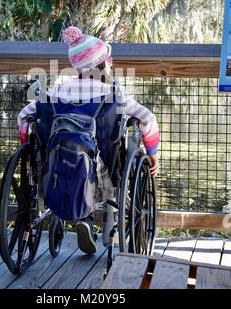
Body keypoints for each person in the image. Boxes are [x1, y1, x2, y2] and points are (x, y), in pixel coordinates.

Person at [18, 27, 160, 255]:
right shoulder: (113, 94)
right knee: (100, 160)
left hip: (54, 172)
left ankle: (85, 217)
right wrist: (153, 153)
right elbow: (148, 119)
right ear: (104, 63)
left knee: (76, 159)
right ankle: (95, 222)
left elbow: (24, 116)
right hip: (104, 176)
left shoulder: (55, 93)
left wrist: (25, 146)